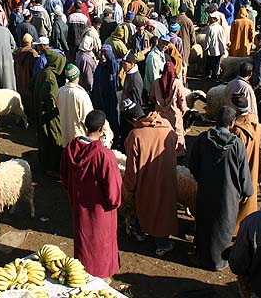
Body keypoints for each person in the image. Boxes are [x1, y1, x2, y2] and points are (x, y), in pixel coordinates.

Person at [189, 105, 253, 271]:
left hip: (206, 191)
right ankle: (220, 261)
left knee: (204, 223)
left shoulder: (202, 139)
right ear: (231, 123)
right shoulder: (237, 145)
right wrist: (247, 191)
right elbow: (243, 172)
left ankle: (201, 257)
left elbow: (193, 165)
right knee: (223, 226)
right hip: (228, 195)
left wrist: (201, 179)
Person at [60, 110, 122, 280]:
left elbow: (64, 177)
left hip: (79, 208)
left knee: (83, 243)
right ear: (102, 129)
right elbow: (114, 194)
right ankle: (100, 278)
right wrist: (113, 204)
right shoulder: (105, 156)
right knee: (101, 246)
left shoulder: (70, 149)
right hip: (100, 212)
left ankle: (82, 273)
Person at [124, 109, 178, 256]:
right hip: (167, 177)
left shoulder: (135, 135)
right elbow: (177, 146)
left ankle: (149, 237)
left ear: (135, 119)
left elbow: (131, 166)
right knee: (163, 209)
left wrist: (129, 184)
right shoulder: (167, 127)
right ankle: (161, 242)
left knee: (145, 205)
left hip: (146, 179)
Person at [31, 50, 66, 175]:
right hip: (49, 115)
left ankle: (44, 162)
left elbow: (31, 85)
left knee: (43, 137)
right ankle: (53, 167)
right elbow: (50, 95)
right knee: (54, 137)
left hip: (40, 112)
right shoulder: (50, 77)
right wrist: (54, 107)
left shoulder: (41, 72)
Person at [229, 94, 260, 235]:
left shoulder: (239, 130)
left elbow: (238, 158)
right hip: (251, 171)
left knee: (236, 208)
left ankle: (235, 232)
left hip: (242, 173)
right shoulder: (254, 122)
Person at [151, 62, 188, 156]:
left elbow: (152, 97)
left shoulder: (156, 83)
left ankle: (161, 152)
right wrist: (183, 110)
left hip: (160, 114)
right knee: (177, 133)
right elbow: (182, 100)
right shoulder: (177, 84)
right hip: (174, 115)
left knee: (161, 133)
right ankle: (178, 153)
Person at [57, 64, 94, 147]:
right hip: (79, 137)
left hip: (65, 135)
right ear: (78, 76)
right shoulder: (80, 94)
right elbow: (87, 116)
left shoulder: (60, 91)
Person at [91, 45, 120, 136]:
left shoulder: (112, 67)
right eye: (102, 54)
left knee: (112, 121)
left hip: (110, 100)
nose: (103, 56)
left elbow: (112, 62)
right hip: (100, 101)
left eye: (105, 54)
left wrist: (107, 51)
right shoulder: (99, 67)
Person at [203, 14, 226, 80]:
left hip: (211, 48)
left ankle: (208, 74)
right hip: (218, 48)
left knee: (209, 62)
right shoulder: (220, 27)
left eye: (211, 18)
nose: (209, 20)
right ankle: (214, 76)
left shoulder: (210, 28)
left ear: (214, 19)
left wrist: (205, 48)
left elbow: (208, 39)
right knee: (216, 63)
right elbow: (222, 39)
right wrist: (223, 48)